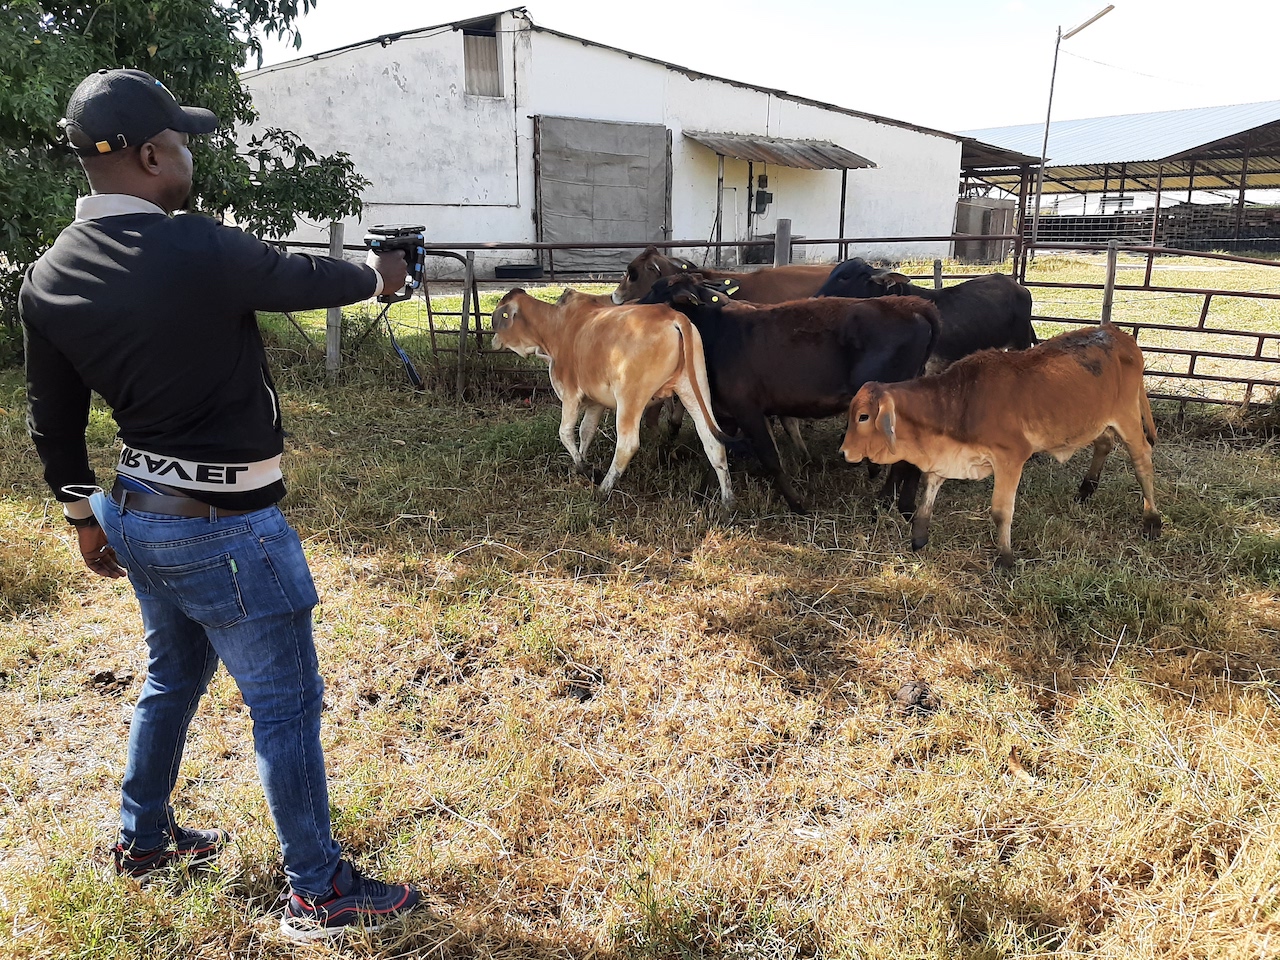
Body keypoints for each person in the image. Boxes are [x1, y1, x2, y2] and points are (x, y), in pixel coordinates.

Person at [20, 68, 420, 941]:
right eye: (185, 141)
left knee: (171, 677)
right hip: (226, 528)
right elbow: (298, 276)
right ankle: (319, 890)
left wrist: (83, 517)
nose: (192, 153)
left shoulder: (47, 275)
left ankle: (144, 838)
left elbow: (52, 424)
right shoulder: (195, 245)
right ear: (152, 154)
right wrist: (380, 277)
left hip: (135, 510)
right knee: (285, 706)